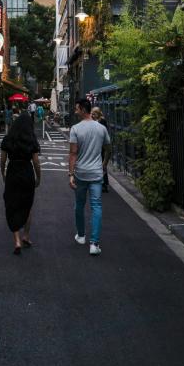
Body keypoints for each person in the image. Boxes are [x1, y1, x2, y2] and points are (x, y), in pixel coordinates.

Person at [69, 98, 111, 256]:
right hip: (96, 173)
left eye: (76, 108)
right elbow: (108, 148)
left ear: (81, 109)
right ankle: (94, 243)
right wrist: (104, 164)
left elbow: (73, 153)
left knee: (79, 205)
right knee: (96, 207)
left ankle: (81, 236)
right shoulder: (101, 128)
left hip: (81, 173)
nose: (75, 111)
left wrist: (70, 174)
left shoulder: (75, 129)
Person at [0, 112, 41, 254]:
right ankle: (26, 236)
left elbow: (2, 160)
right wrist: (38, 177)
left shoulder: (8, 139)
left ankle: (16, 239)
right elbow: (35, 161)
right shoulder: (31, 140)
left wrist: (3, 174)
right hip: (27, 172)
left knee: (12, 204)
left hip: (13, 171)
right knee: (27, 205)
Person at [91, 106, 110, 193]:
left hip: (102, 146)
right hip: (97, 146)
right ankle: (99, 182)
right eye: (92, 114)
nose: (92, 115)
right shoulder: (95, 121)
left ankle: (104, 184)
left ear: (98, 114)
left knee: (102, 164)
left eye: (94, 114)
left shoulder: (102, 121)